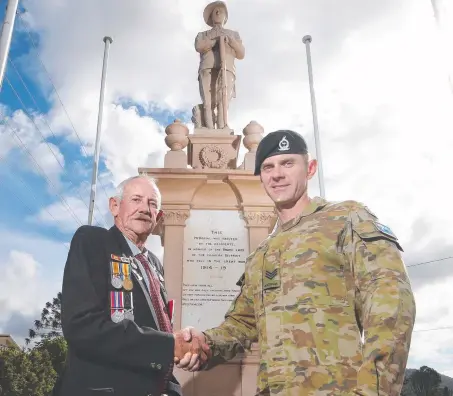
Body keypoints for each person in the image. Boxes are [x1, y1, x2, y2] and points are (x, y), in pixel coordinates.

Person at [176, 130, 417, 395]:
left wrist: (375, 389)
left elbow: (391, 298)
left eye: (287, 163)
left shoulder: (346, 218)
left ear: (310, 168)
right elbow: (241, 324)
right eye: (268, 167)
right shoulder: (262, 255)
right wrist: (204, 343)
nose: (277, 174)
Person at [55, 175, 207, 396]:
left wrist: (172, 383)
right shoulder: (93, 242)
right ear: (115, 206)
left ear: (159, 216)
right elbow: (82, 325)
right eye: (136, 199)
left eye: (152, 203)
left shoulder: (154, 264)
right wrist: (168, 346)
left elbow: (155, 330)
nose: (144, 208)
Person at [194, 0, 245, 129]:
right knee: (208, 101)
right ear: (210, 17)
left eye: (221, 11)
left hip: (227, 68)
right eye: (214, 11)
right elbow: (199, 46)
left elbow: (241, 53)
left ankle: (223, 126)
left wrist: (231, 42)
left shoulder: (233, 34)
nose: (217, 13)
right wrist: (214, 42)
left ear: (225, 16)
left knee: (224, 99)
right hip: (207, 67)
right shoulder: (203, 34)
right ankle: (209, 127)